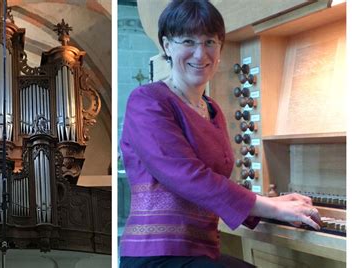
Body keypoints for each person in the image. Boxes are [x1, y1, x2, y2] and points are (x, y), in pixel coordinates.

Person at [119, 1, 322, 267]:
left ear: (220, 48)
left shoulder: (213, 109)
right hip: (157, 254)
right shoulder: (148, 101)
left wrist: (274, 203)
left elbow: (213, 180)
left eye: (210, 42)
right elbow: (186, 175)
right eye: (188, 41)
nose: (200, 54)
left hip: (202, 250)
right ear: (168, 46)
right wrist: (269, 206)